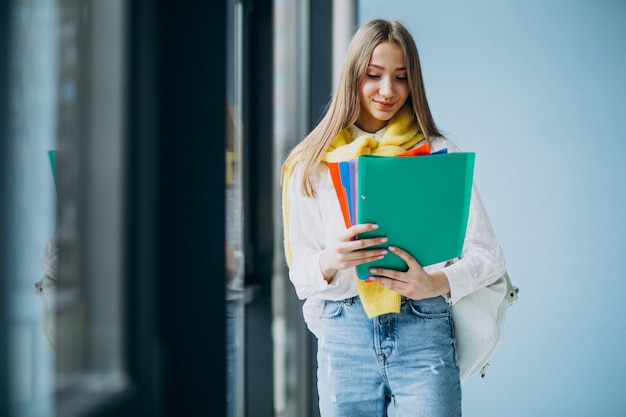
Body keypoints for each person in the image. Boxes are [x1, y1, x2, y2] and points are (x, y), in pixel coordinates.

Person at [281, 19, 505, 417]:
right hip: (343, 334)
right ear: (353, 76)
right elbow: (300, 276)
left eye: (401, 78)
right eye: (374, 75)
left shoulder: (438, 154)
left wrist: (434, 282)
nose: (387, 91)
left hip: (424, 327)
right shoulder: (310, 164)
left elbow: (488, 256)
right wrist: (334, 258)